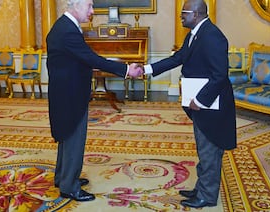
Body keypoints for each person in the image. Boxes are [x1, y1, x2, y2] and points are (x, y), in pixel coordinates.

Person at [46, 0, 144, 202]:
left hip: (65, 92)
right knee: (73, 138)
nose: (92, 11)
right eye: (89, 6)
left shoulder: (63, 26)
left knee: (66, 136)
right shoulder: (68, 31)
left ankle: (63, 177)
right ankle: (69, 187)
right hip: (70, 94)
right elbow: (92, 59)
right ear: (75, 5)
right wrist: (126, 70)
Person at [143, 0, 236, 208]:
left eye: (183, 13)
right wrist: (147, 69)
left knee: (210, 150)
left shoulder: (213, 36)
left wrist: (200, 100)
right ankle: (201, 189)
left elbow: (220, 75)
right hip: (200, 105)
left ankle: (208, 196)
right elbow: (178, 58)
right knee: (204, 149)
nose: (180, 17)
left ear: (195, 14)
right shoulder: (195, 34)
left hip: (211, 105)